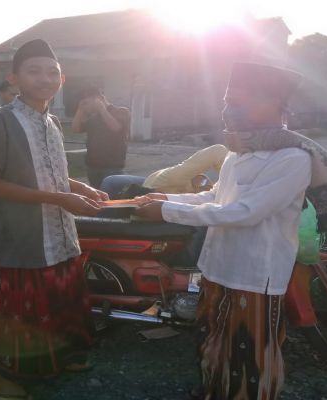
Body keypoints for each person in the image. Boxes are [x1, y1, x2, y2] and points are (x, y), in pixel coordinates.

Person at [135, 63, 314, 400]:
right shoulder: (237, 152)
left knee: (249, 354)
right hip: (218, 268)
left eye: (239, 101)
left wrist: (167, 211)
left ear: (274, 102)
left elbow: (247, 212)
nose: (229, 109)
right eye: (227, 99)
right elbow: (217, 197)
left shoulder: (291, 158)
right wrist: (166, 197)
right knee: (213, 340)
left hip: (254, 275)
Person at [0, 39, 109, 399]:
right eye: (34, 71)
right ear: (14, 79)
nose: (44, 78)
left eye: (52, 72)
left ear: (62, 79)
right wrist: (60, 198)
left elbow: (51, 173)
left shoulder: (52, 123)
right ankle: (10, 377)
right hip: (23, 235)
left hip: (60, 232)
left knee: (64, 298)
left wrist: (82, 188)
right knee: (23, 307)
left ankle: (62, 357)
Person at [99, 144, 229, 199]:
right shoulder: (178, 178)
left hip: (152, 182)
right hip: (155, 187)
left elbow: (200, 181)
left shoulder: (182, 181)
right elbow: (218, 151)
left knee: (111, 181)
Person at [71, 85, 131, 188]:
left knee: (112, 200)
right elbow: (75, 129)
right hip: (93, 167)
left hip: (112, 167)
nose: (87, 107)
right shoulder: (94, 118)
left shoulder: (121, 111)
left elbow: (116, 128)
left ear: (99, 99)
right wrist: (80, 109)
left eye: (87, 103)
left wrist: (101, 108)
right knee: (97, 200)